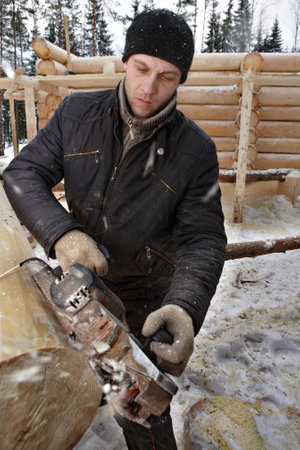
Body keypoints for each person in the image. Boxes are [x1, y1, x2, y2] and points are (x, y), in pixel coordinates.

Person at [3, 8, 227, 449]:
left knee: (140, 407)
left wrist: (185, 306)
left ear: (181, 79)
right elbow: (21, 174)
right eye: (142, 68)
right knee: (80, 384)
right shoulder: (76, 114)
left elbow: (204, 237)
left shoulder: (196, 151)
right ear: (126, 61)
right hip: (83, 291)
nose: (149, 87)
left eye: (167, 76)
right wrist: (63, 234)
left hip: (146, 299)